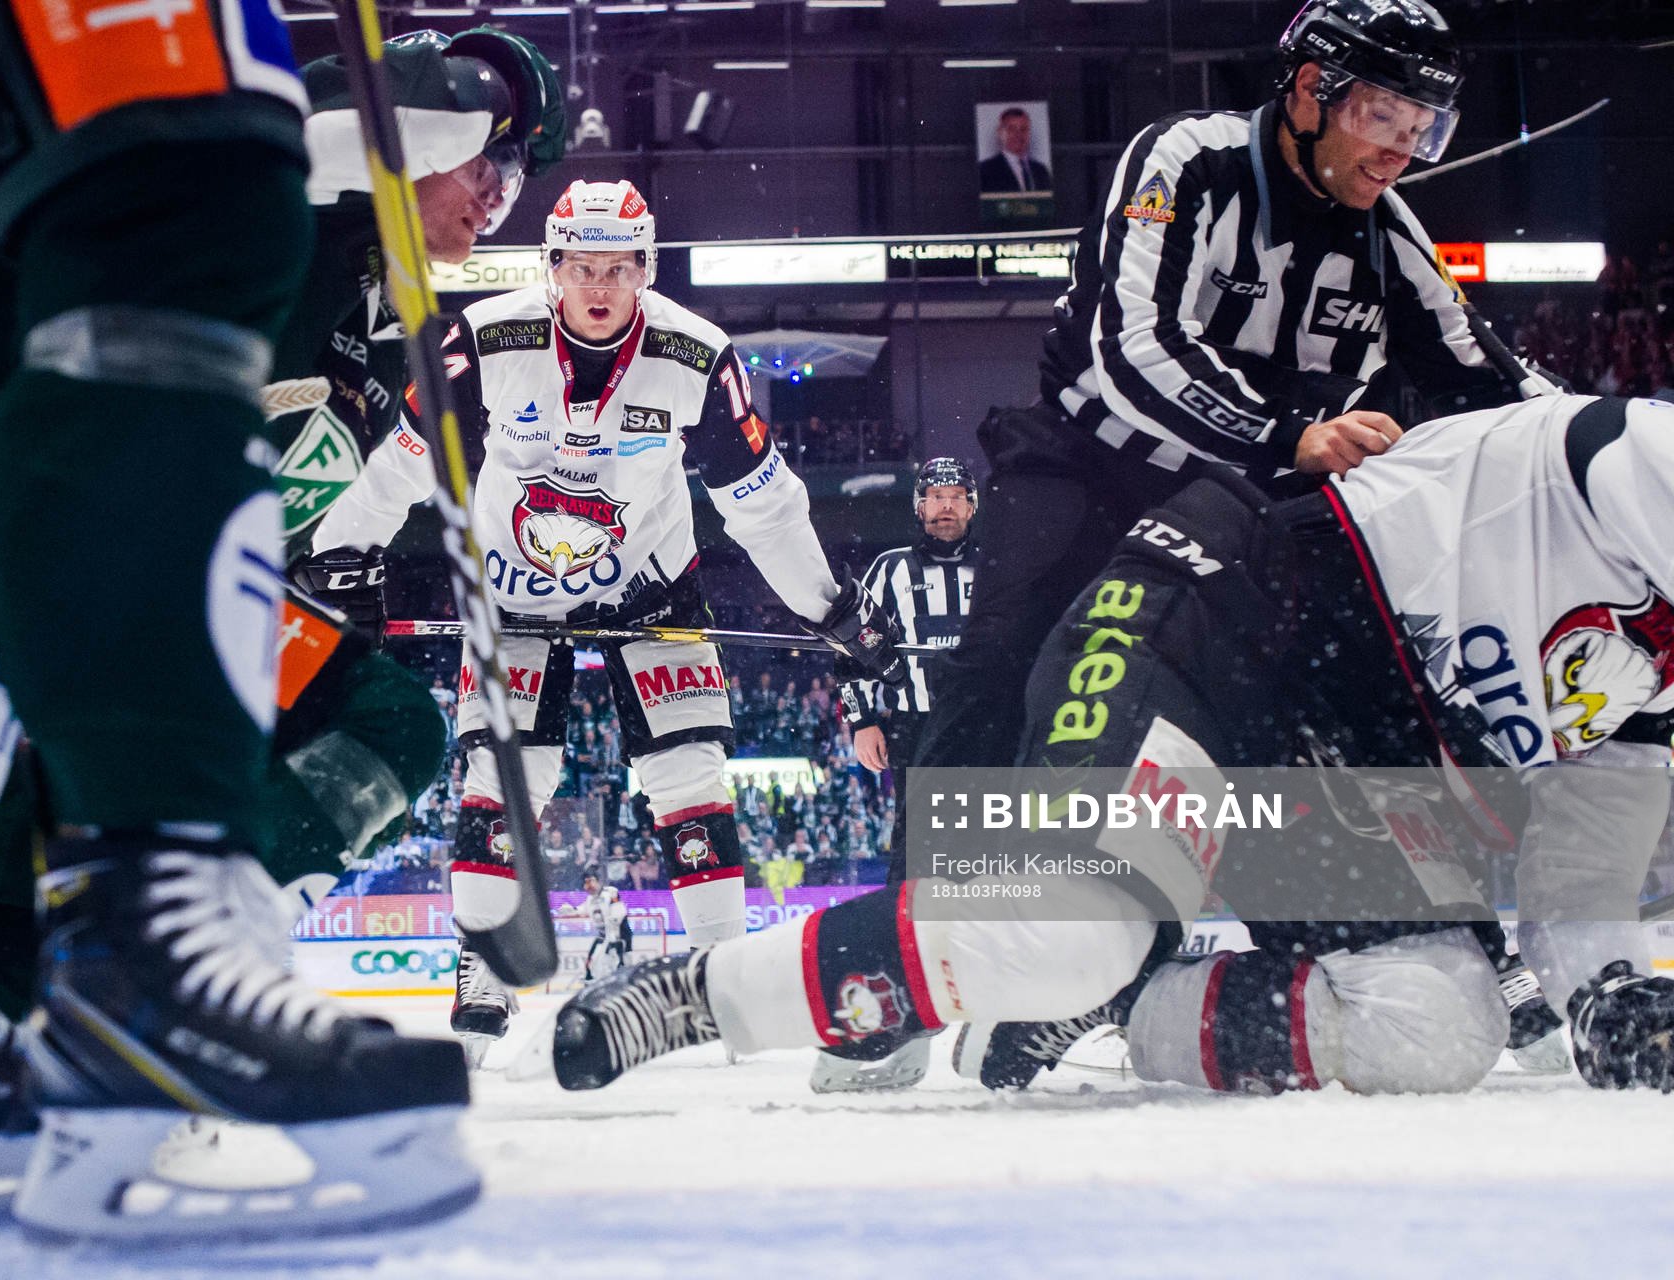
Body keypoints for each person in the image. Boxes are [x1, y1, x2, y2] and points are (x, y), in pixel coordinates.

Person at [0, 8, 557, 1239]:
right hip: (104, 545)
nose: (496, 190)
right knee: (185, 200)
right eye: (494, 160)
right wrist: (428, 98)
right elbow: (322, 129)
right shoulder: (355, 233)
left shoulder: (385, 305)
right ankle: (139, 952)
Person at [547, 394, 1674, 1101]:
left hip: (1337, 743)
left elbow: (1583, 879)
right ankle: (700, 993)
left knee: (1441, 1024)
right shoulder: (1642, 457)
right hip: (1215, 614)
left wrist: (1613, 994)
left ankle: (1130, 1002)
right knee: (1073, 926)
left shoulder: (1649, 694)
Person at [314, 177, 907, 1064]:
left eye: (620, 267)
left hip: (651, 591)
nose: (600, 285)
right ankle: (482, 966)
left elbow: (764, 508)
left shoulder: (698, 355)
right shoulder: (479, 340)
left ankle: (718, 975)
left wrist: (830, 608)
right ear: (551, 267)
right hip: (510, 593)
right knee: (506, 778)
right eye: (582, 266)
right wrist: (337, 560)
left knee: (689, 774)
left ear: (646, 269)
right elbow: (399, 470)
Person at [915, 0, 1561, 792]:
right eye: (1383, 118)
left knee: (1315, 704)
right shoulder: (1185, 159)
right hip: (1089, 463)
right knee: (998, 665)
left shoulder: (1393, 237)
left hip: (1251, 506)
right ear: (1311, 90)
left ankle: (1361, 875)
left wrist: (1619, 446)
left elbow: (1498, 388)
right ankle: (936, 870)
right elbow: (1130, 349)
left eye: (1422, 130)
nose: (1401, 152)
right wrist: (1286, 435)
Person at [809, 461, 979, 1095]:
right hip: (920, 730)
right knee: (914, 874)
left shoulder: (999, 568)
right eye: (935, 497)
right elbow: (852, 645)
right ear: (918, 505)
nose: (945, 507)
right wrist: (862, 719)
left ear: (972, 505)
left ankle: (994, 1011)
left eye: (956, 497)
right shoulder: (890, 569)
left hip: (991, 727)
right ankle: (892, 1018)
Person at [978, 106, 1052, 194]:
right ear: (1000, 132)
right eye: (1011, 129)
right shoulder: (984, 170)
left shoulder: (1041, 170)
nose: (1018, 135)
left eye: (1023, 129)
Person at [582, 876, 632, 981]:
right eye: (586, 883)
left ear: (598, 882)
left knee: (621, 964)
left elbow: (619, 911)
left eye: (591, 881)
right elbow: (584, 908)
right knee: (595, 961)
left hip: (619, 936)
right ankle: (593, 979)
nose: (589, 886)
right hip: (604, 936)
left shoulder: (610, 892)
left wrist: (613, 923)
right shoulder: (590, 899)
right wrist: (572, 910)